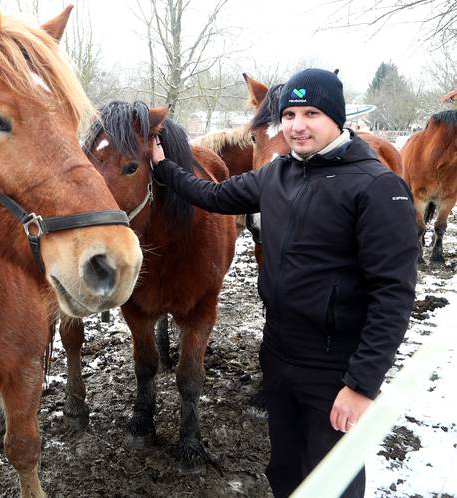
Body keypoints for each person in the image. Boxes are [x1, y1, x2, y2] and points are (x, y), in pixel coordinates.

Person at [150, 68, 417, 498]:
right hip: (277, 352)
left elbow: (394, 296)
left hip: (334, 366)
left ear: (337, 118)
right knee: (285, 469)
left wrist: (361, 384)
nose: (297, 126)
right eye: (289, 115)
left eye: (311, 113)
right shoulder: (278, 174)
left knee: (332, 478)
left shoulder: (377, 187)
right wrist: (164, 167)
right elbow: (213, 196)